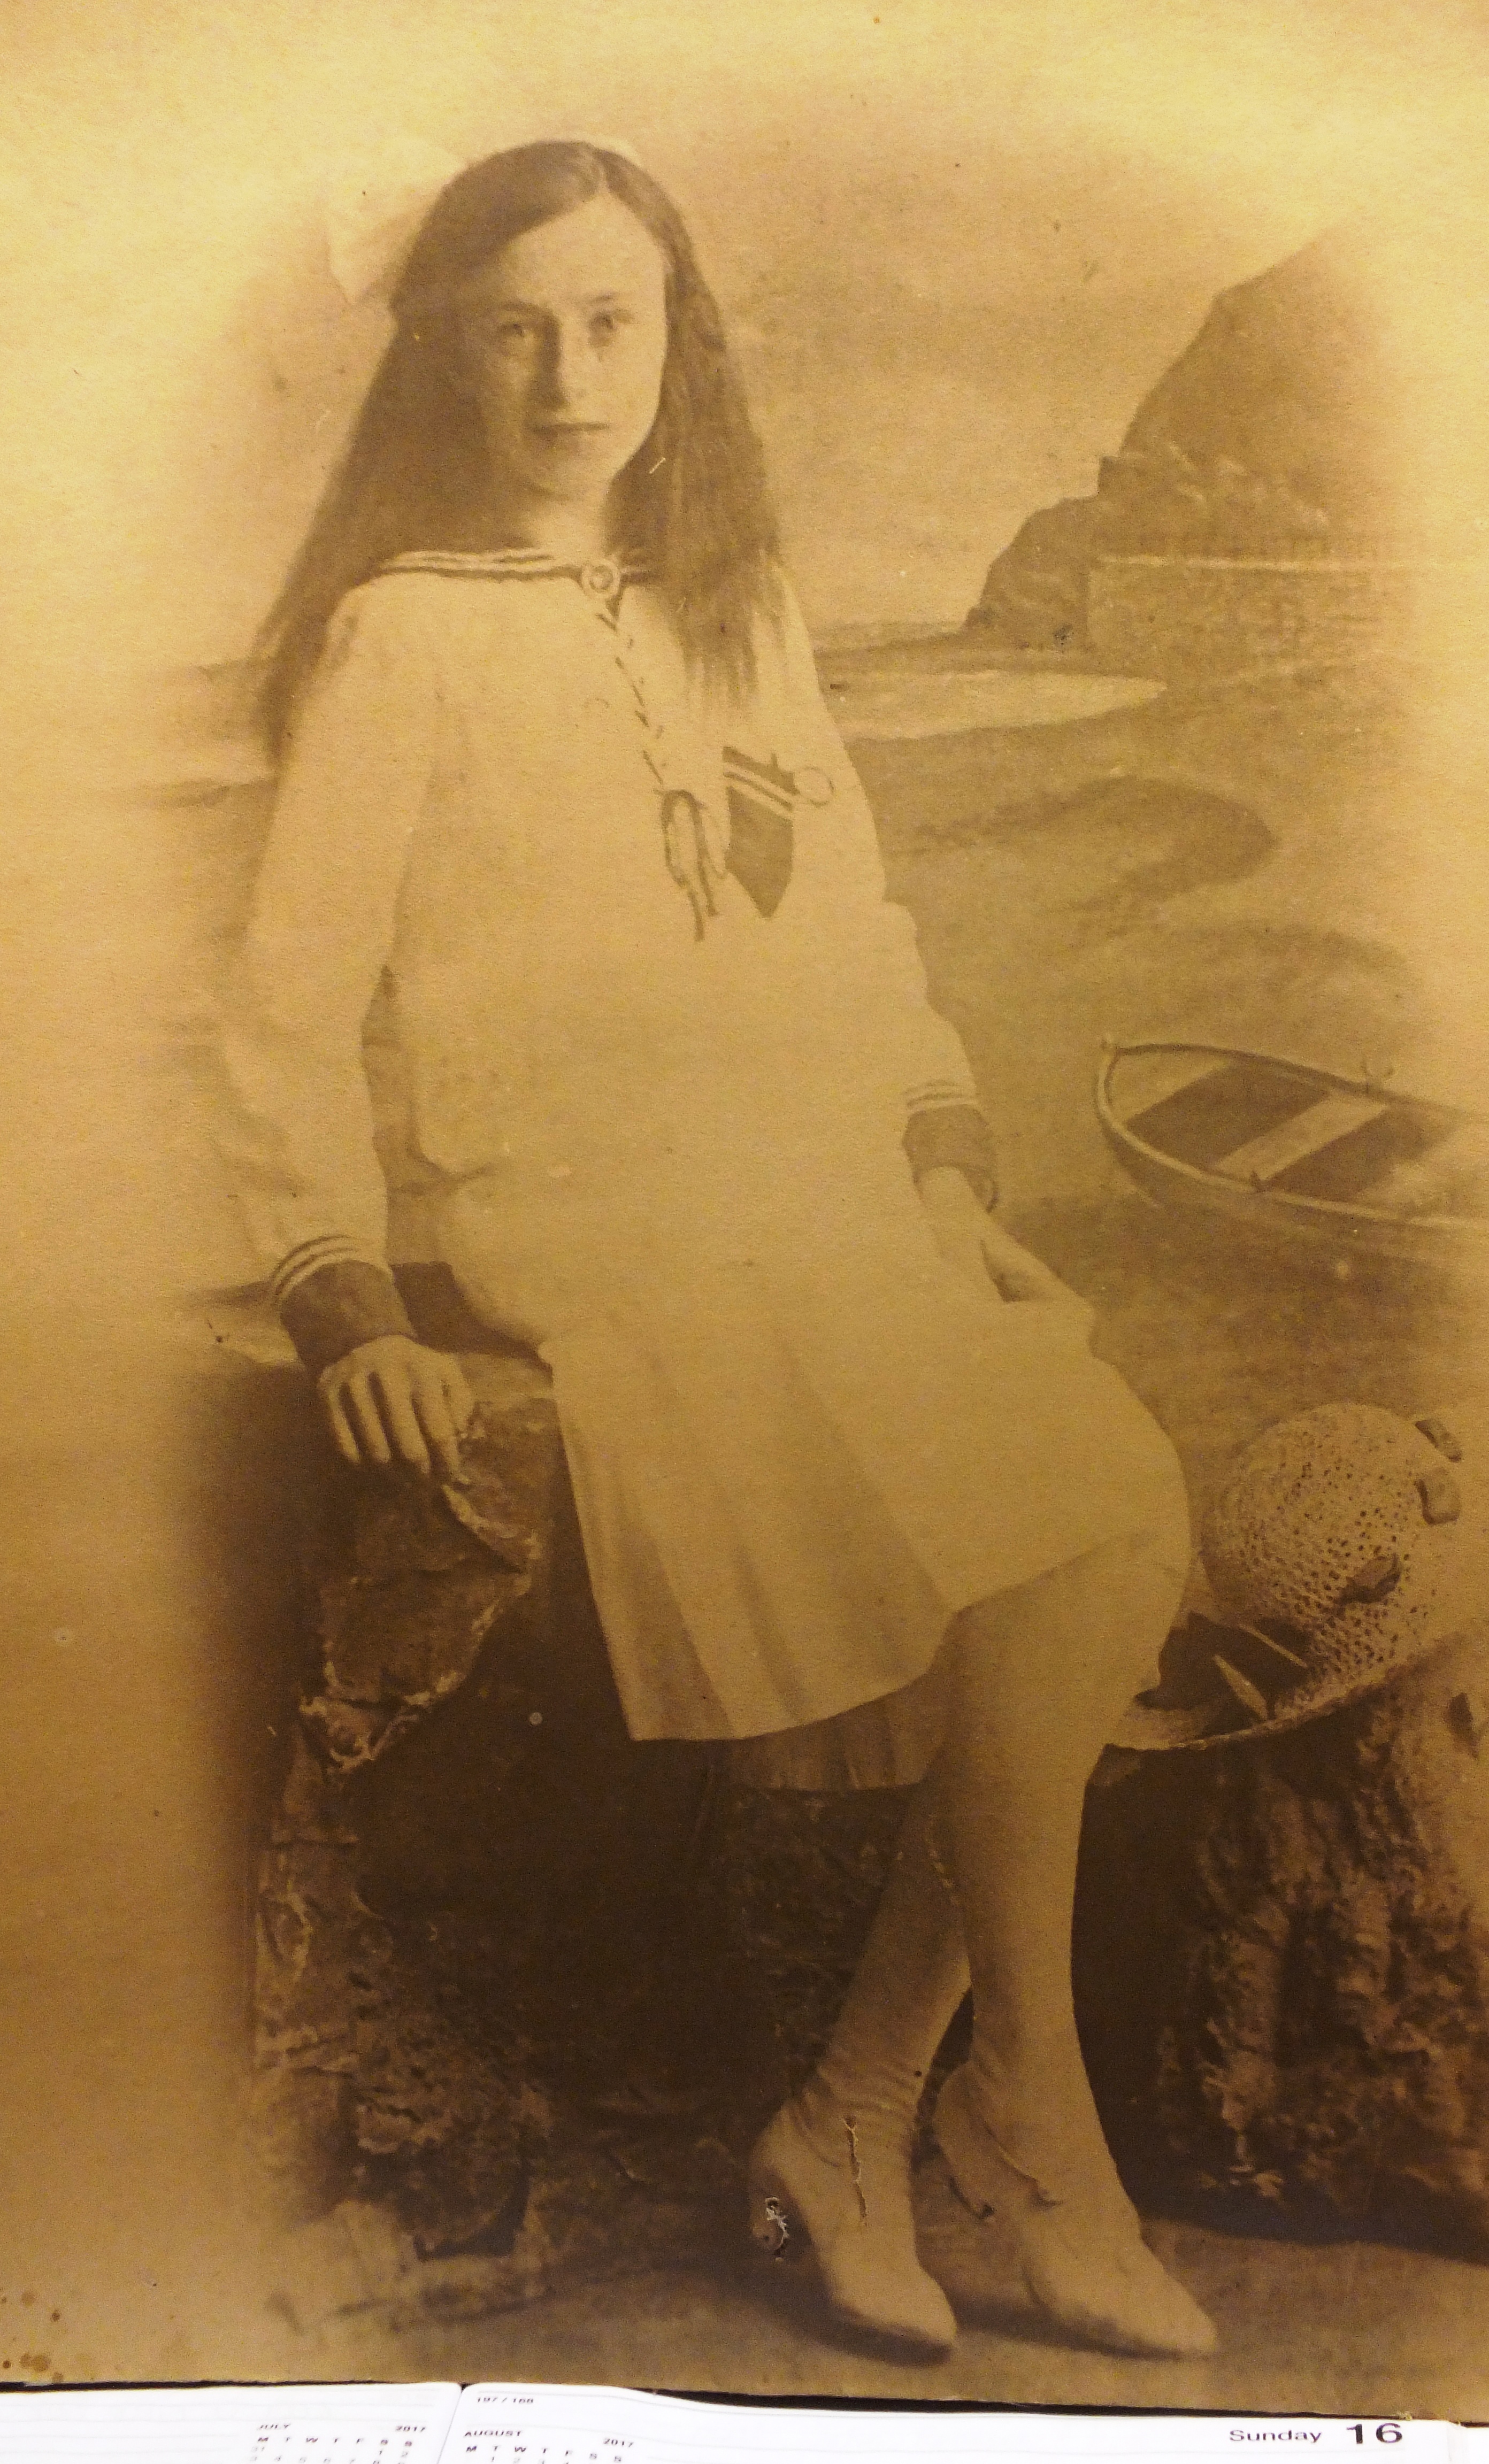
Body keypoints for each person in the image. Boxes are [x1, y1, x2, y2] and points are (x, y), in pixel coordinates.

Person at [220, 140, 1215, 2361]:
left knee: (1108, 1513)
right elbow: (282, 1011)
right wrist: (338, 1289)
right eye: (517, 327)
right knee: (1048, 1516)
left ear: (679, 344)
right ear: (447, 352)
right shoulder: (400, 640)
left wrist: (947, 1186)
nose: (572, 376)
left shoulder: (733, 608)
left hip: (810, 1189)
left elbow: (853, 936)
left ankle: (867, 2114)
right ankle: (1025, 2136)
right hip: (583, 1217)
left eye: (615, 322)